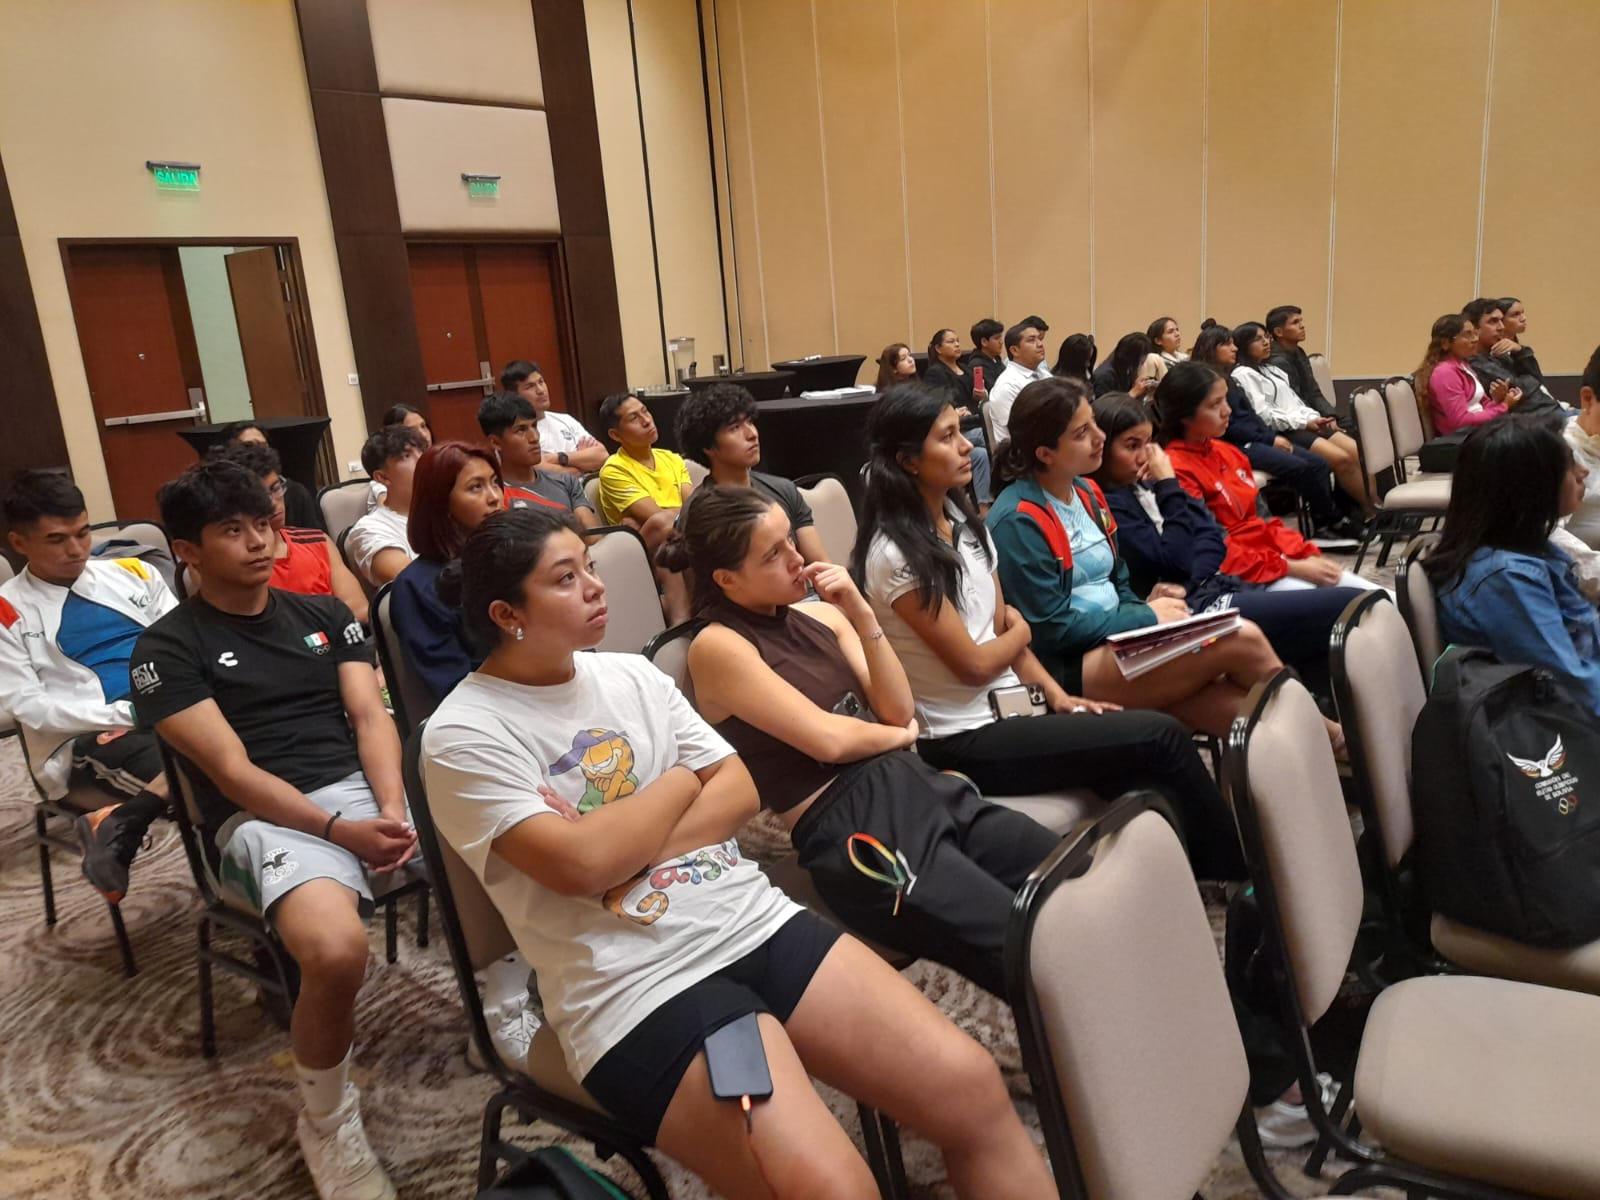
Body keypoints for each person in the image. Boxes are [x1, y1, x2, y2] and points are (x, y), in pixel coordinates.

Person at [422, 506, 1058, 1200]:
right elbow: (578, 866)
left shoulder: (632, 677)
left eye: (591, 567)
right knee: (834, 1191)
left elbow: (738, 788)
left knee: (972, 1093)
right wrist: (678, 780)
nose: (596, 587)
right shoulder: (464, 732)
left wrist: (619, 837)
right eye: (565, 578)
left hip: (753, 920)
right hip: (639, 984)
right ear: (507, 614)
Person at [131, 459, 417, 1200]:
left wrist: (390, 807)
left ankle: (510, 1007)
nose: (260, 542)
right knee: (336, 947)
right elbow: (231, 773)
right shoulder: (165, 650)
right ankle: (326, 1120)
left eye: (264, 524)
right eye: (233, 530)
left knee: (514, 844)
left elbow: (369, 718)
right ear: (187, 551)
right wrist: (341, 830)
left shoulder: (324, 614)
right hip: (260, 817)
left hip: (362, 791)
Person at [659, 486, 1061, 995]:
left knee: (1068, 880)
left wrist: (862, 614)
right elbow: (827, 740)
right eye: (773, 554)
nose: (797, 559)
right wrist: (900, 736)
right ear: (726, 579)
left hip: (916, 783)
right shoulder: (716, 646)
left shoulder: (822, 616)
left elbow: (897, 708)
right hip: (849, 824)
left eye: (790, 540)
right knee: (1024, 947)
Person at [850, 382, 1245, 881]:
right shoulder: (895, 555)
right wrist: (1020, 634)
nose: (967, 446)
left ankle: (1190, 875)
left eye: (960, 432)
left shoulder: (961, 518)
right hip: (961, 738)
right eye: (947, 437)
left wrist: (1059, 698)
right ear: (908, 460)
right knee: (1160, 735)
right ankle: (1239, 876)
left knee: (1142, 756)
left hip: (1014, 706)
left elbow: (1000, 631)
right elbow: (976, 664)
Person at [986, 377, 1340, 744]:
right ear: (1046, 454)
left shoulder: (1086, 491)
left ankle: (1322, 750)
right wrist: (1145, 617)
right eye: (1082, 433)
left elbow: (1118, 578)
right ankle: (1338, 741)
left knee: (1245, 717)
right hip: (1070, 666)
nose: (1099, 437)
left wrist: (1140, 611)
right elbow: (1052, 630)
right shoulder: (1018, 519)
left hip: (1118, 640)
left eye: (1093, 423)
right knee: (1241, 637)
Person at [1091, 392, 1365, 693]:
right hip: (1197, 605)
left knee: (1323, 635)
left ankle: (1321, 708)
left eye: (1148, 443)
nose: (1145, 456)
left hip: (1218, 585)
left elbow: (1211, 539)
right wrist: (1169, 485)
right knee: (1347, 605)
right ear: (1101, 447)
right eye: (1132, 446)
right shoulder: (1114, 503)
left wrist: (1169, 491)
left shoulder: (1147, 484)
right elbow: (1174, 560)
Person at [0, 471, 176, 903]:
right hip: (87, 738)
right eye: (57, 540)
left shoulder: (135, 573)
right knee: (212, 772)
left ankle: (123, 822)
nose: (76, 549)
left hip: (171, 707)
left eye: (83, 533)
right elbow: (30, 707)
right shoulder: (8, 609)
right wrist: (129, 713)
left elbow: (186, 645)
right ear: (19, 543)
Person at [1426, 415, 1600, 718]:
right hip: (1556, 723)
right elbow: (1569, 682)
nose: (1582, 471)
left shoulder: (1526, 549)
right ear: (1532, 487)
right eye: (1569, 465)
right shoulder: (1507, 579)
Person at [1158, 363, 1378, 596]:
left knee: (1376, 596)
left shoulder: (1228, 453)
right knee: (1342, 602)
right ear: (1184, 415)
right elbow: (1214, 547)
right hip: (1233, 577)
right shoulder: (1176, 469)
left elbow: (1262, 523)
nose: (1227, 411)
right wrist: (1291, 567)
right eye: (1215, 404)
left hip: (1265, 561)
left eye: (1226, 400)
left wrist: (1304, 553)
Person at [1192, 323, 1360, 541]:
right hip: (1234, 445)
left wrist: (1271, 437)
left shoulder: (1228, 378)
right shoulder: (1207, 381)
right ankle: (1330, 522)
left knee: (1318, 463)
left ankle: (1326, 521)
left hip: (1256, 438)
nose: (1234, 348)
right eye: (1227, 344)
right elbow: (1230, 427)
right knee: (1304, 467)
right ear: (1211, 348)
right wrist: (1270, 439)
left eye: (1234, 343)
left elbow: (1251, 417)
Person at [387, 442, 504, 708]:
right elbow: (454, 687)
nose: (494, 497)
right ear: (441, 502)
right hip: (487, 714)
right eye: (476, 487)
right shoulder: (417, 587)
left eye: (495, 483)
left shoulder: (516, 558)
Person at [206, 443, 369, 623]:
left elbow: (359, 611)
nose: (273, 503)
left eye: (275, 488)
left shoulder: (317, 542)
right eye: (259, 495)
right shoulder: (232, 560)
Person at [674, 382, 828, 562]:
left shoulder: (783, 489)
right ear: (708, 447)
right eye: (735, 427)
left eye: (749, 422)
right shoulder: (699, 516)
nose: (752, 434)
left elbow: (822, 566)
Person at [1233, 322, 1368, 512]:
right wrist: (1305, 422)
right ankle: (1370, 511)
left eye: (1266, 337)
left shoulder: (1271, 370)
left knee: (1358, 452)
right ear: (1244, 345)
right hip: (1284, 431)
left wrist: (1313, 418)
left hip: (1302, 424)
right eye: (1258, 339)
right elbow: (1264, 415)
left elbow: (1295, 403)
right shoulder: (1243, 374)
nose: (1265, 342)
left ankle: (1365, 507)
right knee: (1342, 459)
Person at [595, 392, 693, 624]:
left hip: (679, 541)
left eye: (645, 411)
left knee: (672, 539)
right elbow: (659, 517)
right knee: (663, 525)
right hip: (640, 557)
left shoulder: (671, 459)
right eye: (634, 418)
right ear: (615, 435)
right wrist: (681, 511)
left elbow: (694, 506)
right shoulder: (614, 469)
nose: (647, 420)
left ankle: (684, 621)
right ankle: (682, 622)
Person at [476, 392, 598, 529]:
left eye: (534, 426)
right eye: (521, 430)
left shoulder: (567, 482)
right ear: (496, 442)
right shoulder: (492, 496)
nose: (534, 437)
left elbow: (593, 536)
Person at [343, 426, 426, 588]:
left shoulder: (449, 508)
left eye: (422, 451)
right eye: (407, 456)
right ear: (383, 477)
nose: (423, 460)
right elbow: (415, 583)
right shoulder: (370, 530)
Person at [499, 359, 607, 477]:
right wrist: (582, 465)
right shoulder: (517, 431)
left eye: (541, 382)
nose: (540, 390)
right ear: (514, 395)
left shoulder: (565, 419)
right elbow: (537, 470)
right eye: (530, 386)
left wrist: (558, 458)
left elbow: (602, 455)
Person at [1461, 297, 1566, 417]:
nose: (1501, 327)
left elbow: (1539, 383)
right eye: (1493, 321)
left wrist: (1520, 351)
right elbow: (1523, 389)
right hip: (1536, 419)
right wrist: (1528, 377)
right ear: (1474, 329)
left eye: (1501, 320)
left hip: (1549, 411)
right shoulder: (1475, 363)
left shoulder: (1498, 353)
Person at [1415, 313, 1516, 435]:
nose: (1475, 339)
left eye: (1475, 333)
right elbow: (1460, 422)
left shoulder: (1464, 365)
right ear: (1446, 343)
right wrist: (1503, 406)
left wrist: (1498, 401)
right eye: (1468, 335)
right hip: (1465, 439)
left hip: (1482, 431)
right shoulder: (1445, 373)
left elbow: (1482, 406)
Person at [922, 328, 993, 503]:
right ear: (938, 348)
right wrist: (953, 412)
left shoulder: (966, 369)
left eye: (958, 341)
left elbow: (979, 397)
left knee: (982, 454)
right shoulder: (935, 373)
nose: (957, 345)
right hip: (959, 430)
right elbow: (936, 404)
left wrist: (981, 395)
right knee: (990, 437)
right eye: (951, 342)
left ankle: (984, 504)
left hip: (975, 421)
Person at [218, 420, 322, 529]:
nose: (259, 453)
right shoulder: (226, 503)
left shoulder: (296, 493)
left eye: (263, 446)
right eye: (249, 447)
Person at [1265, 305, 1351, 434]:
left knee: (1356, 425)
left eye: (1301, 321)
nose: (1302, 326)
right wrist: (1318, 419)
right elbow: (1294, 401)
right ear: (1278, 332)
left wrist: (1330, 415)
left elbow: (1313, 391)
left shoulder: (1298, 352)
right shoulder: (1276, 361)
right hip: (1298, 421)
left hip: (1312, 413)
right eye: (1295, 322)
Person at [986, 319, 1052, 445]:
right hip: (1021, 450)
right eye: (1031, 340)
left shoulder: (1044, 374)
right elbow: (1022, 430)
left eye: (1039, 339)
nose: (1040, 344)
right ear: (1015, 350)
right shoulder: (1007, 385)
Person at [1090, 332, 1158, 400]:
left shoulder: (1125, 368)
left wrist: (1141, 391)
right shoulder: (1104, 376)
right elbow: (1104, 405)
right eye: (1143, 357)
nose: (1144, 360)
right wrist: (1133, 393)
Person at [965, 317, 1006, 386]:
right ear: (984, 342)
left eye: (1001, 337)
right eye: (996, 338)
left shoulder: (996, 359)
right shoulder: (977, 365)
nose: (1001, 342)